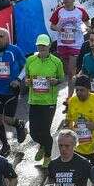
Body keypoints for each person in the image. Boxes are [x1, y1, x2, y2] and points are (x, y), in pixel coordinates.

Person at [25, 34, 66, 165]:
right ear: (36, 46)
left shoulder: (56, 62)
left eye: (44, 45)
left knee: (44, 130)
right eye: (39, 45)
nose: (42, 47)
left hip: (49, 102)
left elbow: (62, 78)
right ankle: (43, 145)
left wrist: (56, 81)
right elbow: (27, 77)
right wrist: (27, 81)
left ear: (49, 46)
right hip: (34, 101)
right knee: (33, 132)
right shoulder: (30, 60)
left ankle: (48, 156)